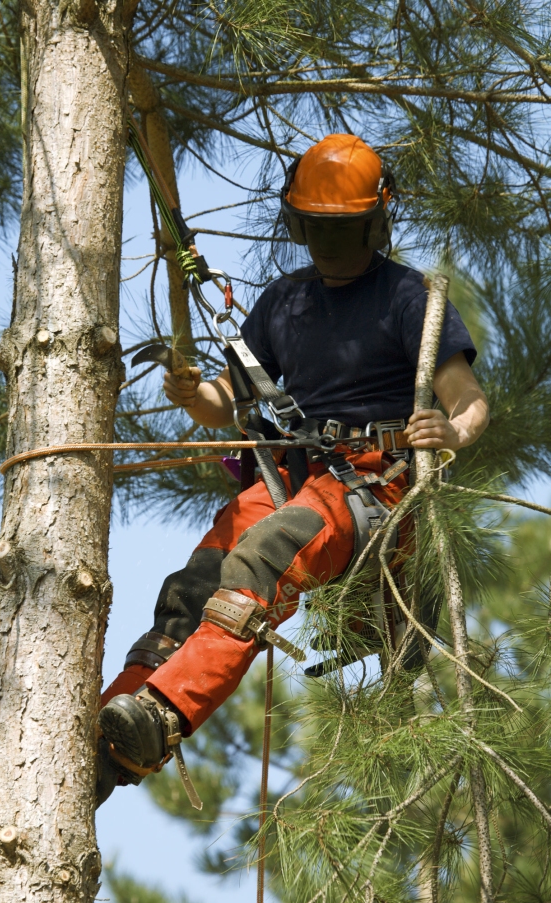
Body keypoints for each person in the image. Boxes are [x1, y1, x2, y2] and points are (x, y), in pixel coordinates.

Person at [95, 134, 489, 806]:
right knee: (197, 581)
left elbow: (470, 401)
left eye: (342, 227)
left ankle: (162, 715)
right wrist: (196, 395)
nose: (329, 242)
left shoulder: (408, 297)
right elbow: (229, 400)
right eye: (320, 227)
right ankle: (112, 734)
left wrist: (448, 430)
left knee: (265, 555)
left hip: (373, 485)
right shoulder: (285, 302)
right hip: (297, 478)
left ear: (374, 220)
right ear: (300, 223)